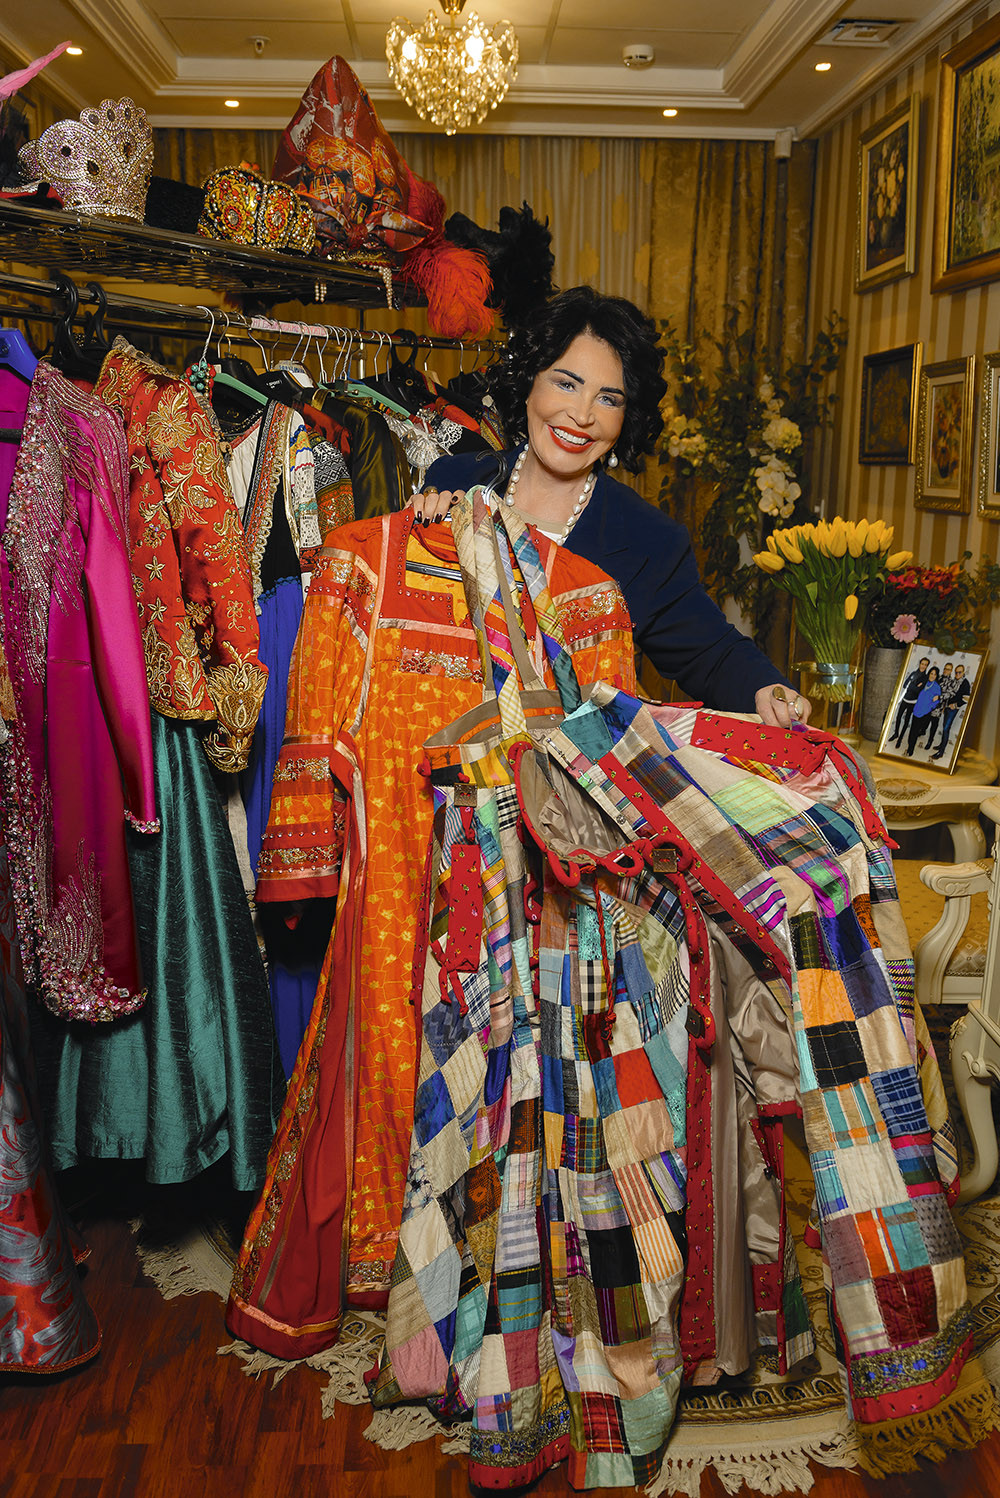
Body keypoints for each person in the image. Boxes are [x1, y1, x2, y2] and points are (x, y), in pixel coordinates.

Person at [412, 286, 810, 729]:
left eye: (608, 399)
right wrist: (419, 527)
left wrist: (770, 691)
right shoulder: (455, 480)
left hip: (570, 765)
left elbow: (711, 653)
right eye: (566, 384)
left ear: (625, 418)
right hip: (436, 745)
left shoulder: (649, 540)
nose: (582, 415)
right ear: (529, 384)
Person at [932, 660, 971, 759]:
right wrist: (945, 706)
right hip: (947, 707)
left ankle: (941, 752)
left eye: (959, 672)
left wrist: (956, 705)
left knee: (946, 729)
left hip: (953, 710)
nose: (957, 674)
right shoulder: (954, 681)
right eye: (956, 672)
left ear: (963, 672)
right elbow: (949, 695)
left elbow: (966, 698)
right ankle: (941, 745)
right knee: (944, 727)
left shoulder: (965, 683)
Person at [890, 655, 930, 745]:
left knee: (907, 721)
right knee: (898, 717)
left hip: (913, 702)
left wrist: (912, 685)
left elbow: (918, 690)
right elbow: (905, 685)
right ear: (919, 664)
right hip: (905, 699)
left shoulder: (925, 678)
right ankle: (896, 734)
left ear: (927, 666)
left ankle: (900, 739)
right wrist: (914, 686)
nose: (923, 666)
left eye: (925, 664)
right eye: (922, 664)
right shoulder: (913, 673)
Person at [906, 665, 941, 756]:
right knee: (912, 730)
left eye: (935, 674)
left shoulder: (937, 687)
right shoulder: (924, 682)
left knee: (916, 731)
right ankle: (910, 745)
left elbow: (936, 701)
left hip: (925, 713)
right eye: (931, 673)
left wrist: (929, 708)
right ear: (929, 674)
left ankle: (911, 749)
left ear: (936, 676)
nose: (932, 676)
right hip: (916, 709)